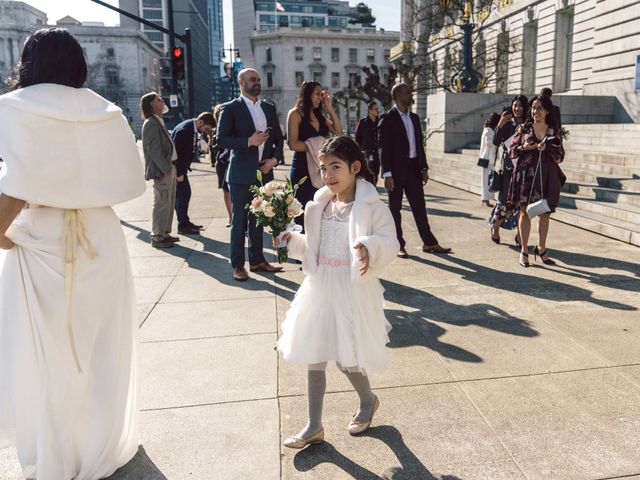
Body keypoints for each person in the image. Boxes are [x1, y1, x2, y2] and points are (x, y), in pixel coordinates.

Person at [0, 28, 144, 479]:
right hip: (101, 235)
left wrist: (9, 237)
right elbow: (129, 180)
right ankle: (97, 443)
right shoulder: (106, 111)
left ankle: (57, 452)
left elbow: (14, 193)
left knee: (47, 354)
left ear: (28, 62)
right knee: (101, 347)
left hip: (44, 237)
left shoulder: (14, 108)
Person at [274, 135, 398, 449]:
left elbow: (390, 241)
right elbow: (313, 248)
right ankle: (314, 425)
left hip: (350, 286)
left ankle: (367, 400)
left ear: (355, 167)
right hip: (319, 284)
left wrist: (370, 247)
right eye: (323, 168)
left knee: (346, 357)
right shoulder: (320, 205)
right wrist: (291, 239)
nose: (328, 175)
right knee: (314, 353)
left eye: (336, 167)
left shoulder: (370, 206)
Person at [217, 68, 285, 281]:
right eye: (252, 79)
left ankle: (257, 261)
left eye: (258, 79)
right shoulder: (231, 109)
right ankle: (238, 265)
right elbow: (221, 140)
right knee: (240, 221)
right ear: (241, 82)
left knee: (259, 220)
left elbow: (279, 140)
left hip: (264, 174)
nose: (257, 82)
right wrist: (248, 142)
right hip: (240, 174)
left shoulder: (268, 108)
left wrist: (274, 160)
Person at [378, 83, 451, 258]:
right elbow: (383, 148)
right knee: (395, 209)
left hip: (413, 169)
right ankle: (398, 245)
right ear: (397, 96)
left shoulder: (415, 118)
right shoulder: (387, 118)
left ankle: (429, 242)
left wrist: (424, 167)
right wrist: (387, 174)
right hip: (395, 172)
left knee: (419, 207)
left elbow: (419, 146)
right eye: (408, 92)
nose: (412, 95)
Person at [508, 95, 565, 267]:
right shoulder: (523, 128)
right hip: (526, 174)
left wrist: (547, 148)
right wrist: (524, 147)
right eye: (533, 108)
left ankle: (541, 248)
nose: (535, 111)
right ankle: (524, 250)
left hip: (546, 175)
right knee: (524, 211)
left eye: (539, 108)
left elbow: (560, 155)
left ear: (547, 111)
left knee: (544, 212)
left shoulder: (553, 130)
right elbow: (511, 151)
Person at [287, 81, 341, 229]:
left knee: (321, 213)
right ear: (307, 94)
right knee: (303, 214)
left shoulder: (320, 115)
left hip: (321, 169)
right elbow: (292, 144)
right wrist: (319, 145)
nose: (320, 98)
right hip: (302, 170)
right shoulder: (295, 114)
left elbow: (338, 132)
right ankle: (302, 249)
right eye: (317, 94)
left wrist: (329, 107)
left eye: (321, 94)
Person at [141, 91, 180, 248]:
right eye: (158, 99)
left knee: (168, 202)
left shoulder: (158, 121)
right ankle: (157, 236)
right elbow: (154, 150)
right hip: (162, 170)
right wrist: (165, 168)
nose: (162, 101)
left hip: (169, 167)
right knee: (161, 202)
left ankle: (164, 233)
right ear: (152, 104)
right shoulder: (151, 123)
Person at [490, 94, 528, 245]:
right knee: (505, 202)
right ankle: (496, 226)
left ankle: (520, 235)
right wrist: (500, 125)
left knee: (522, 204)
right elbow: (495, 141)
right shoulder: (507, 124)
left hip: (525, 168)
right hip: (508, 169)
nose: (517, 108)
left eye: (520, 105)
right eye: (515, 105)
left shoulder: (528, 124)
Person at [171, 112, 215, 235]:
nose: (206, 132)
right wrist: (179, 172)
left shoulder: (190, 128)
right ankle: (183, 225)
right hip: (177, 170)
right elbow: (176, 153)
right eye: (206, 129)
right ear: (201, 122)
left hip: (181, 169)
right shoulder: (185, 130)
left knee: (183, 195)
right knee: (183, 195)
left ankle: (184, 222)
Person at [211, 103, 233, 227]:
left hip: (232, 161)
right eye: (219, 114)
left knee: (236, 190)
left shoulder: (232, 127)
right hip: (222, 163)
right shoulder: (215, 131)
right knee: (226, 190)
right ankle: (230, 217)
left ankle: (236, 217)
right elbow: (214, 149)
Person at [355, 101, 381, 185]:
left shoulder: (380, 122)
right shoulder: (362, 122)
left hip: (378, 153)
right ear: (370, 110)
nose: (378, 110)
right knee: (368, 172)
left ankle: (374, 188)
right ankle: (369, 190)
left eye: (378, 109)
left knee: (376, 172)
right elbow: (357, 138)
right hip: (366, 153)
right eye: (376, 109)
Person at [478, 112, 499, 208]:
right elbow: (489, 143)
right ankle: (485, 199)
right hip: (487, 159)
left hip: (489, 158)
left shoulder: (489, 130)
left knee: (488, 179)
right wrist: (497, 141)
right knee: (486, 180)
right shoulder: (488, 130)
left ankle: (486, 198)